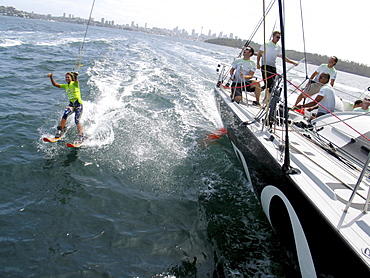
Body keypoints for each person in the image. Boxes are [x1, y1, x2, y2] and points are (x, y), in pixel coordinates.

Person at [47, 72, 85, 141]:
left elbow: (76, 80)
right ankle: (60, 131)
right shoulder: (66, 86)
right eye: (66, 77)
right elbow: (55, 84)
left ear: (71, 78)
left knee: (76, 120)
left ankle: (81, 136)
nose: (67, 78)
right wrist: (51, 77)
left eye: (68, 77)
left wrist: (76, 76)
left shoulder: (75, 84)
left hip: (78, 105)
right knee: (65, 115)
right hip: (71, 105)